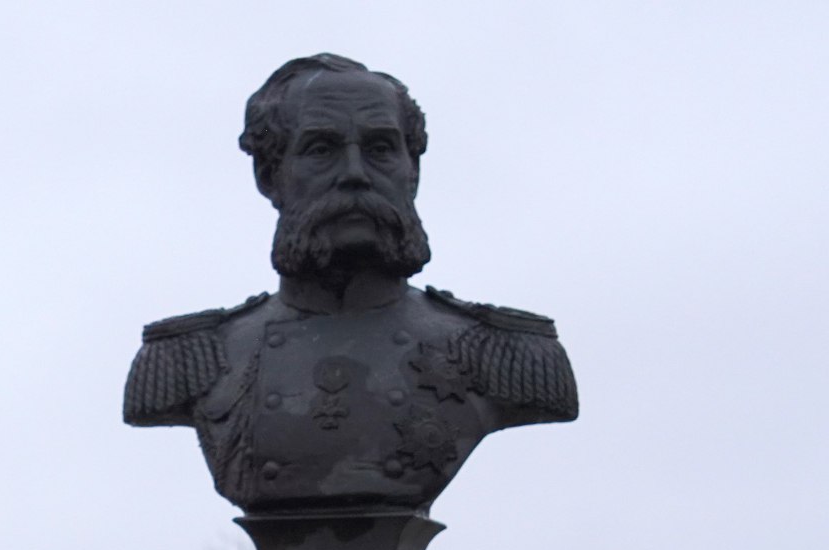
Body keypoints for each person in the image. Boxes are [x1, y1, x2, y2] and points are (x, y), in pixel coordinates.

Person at [122, 54, 576, 517]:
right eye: (322, 150)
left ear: (412, 170)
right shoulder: (191, 359)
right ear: (268, 176)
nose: (356, 173)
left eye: (380, 148)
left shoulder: (504, 353)